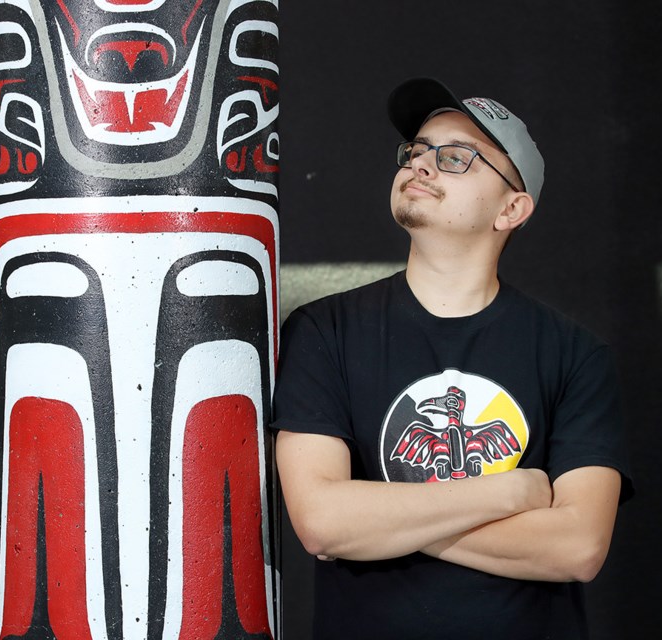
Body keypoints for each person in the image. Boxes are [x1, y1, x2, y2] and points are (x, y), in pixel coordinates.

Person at [271, 77, 634, 640]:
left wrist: (381, 523)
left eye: (457, 157)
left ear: (511, 208)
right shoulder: (324, 332)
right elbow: (322, 524)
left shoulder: (575, 355)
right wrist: (506, 494)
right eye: (415, 152)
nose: (420, 165)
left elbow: (577, 547)